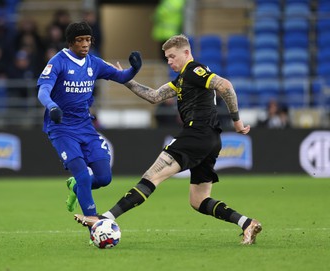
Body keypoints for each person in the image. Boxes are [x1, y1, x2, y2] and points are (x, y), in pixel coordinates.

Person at [74, 34, 262, 245]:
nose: (169, 61)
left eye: (172, 56)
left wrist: (236, 121)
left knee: (150, 177)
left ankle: (103, 218)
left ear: (186, 53)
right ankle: (246, 223)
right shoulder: (182, 78)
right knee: (198, 200)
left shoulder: (193, 70)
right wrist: (123, 77)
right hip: (210, 140)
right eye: (167, 58)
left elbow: (225, 85)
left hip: (195, 135)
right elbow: (153, 96)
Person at [37, 22, 142, 223]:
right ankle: (94, 226)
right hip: (62, 129)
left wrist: (135, 69)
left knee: (104, 178)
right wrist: (51, 106)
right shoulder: (58, 62)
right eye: (80, 40)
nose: (85, 44)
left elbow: (121, 76)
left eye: (88, 39)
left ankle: (76, 188)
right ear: (70, 42)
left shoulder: (94, 63)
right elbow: (43, 90)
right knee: (83, 175)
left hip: (86, 126)